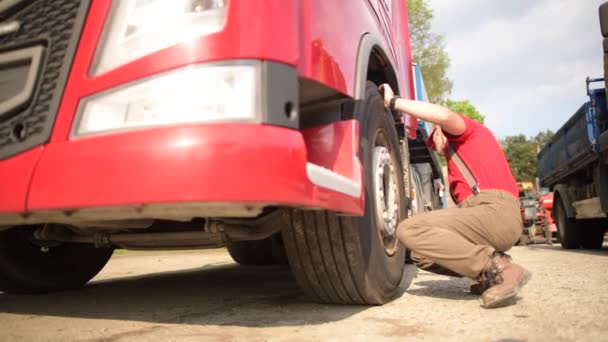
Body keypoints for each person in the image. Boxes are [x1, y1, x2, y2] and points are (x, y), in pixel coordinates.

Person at [378, 83, 530, 309]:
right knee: (422, 255)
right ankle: (487, 275)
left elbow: (443, 114)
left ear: (439, 131)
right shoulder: (460, 158)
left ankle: (502, 268)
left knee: (409, 229)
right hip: (489, 217)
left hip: (496, 212)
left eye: (433, 140)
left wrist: (394, 102)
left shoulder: (469, 133)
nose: (435, 147)